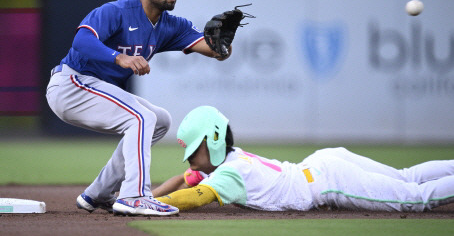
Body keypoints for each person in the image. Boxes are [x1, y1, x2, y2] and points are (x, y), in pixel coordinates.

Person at [46, 0, 240, 216]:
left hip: (96, 88)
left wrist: (224, 46)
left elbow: (214, 50)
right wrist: (119, 57)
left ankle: (98, 193)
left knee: (159, 120)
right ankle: (135, 196)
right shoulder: (116, 11)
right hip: (71, 84)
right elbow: (82, 40)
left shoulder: (171, 25)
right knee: (140, 117)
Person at [152, 106, 454, 212]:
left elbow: (193, 197)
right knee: (406, 176)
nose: (188, 157)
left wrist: (151, 205)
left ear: (213, 140)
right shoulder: (228, 160)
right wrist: (142, 196)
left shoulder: (230, 174)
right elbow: (182, 181)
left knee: (413, 198)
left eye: (193, 149)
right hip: (322, 164)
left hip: (328, 181)